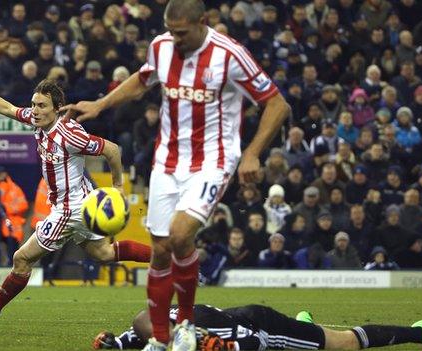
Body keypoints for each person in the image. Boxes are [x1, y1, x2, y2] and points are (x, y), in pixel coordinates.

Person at [61, 1, 290, 350]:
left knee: (181, 234)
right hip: (167, 160)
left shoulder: (230, 55)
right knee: (161, 249)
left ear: (203, 22)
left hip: (214, 160)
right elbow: (141, 80)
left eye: (182, 33)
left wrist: (253, 153)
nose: (175, 40)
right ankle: (160, 339)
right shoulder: (161, 46)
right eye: (171, 31)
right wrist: (100, 104)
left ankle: (185, 324)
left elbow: (277, 104)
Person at [0, 70, 151, 323]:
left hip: (70, 210)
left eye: (42, 106)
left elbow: (112, 149)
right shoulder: (38, 121)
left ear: (57, 109)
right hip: (79, 204)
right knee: (102, 253)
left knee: (21, 258)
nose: (35, 110)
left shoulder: (69, 134)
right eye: (34, 104)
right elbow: (6, 108)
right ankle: (164, 258)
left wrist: (118, 188)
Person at [93, 303, 422, 350]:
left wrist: (229, 350)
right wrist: (118, 344)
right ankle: (304, 323)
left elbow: (256, 345)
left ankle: (419, 331)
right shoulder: (163, 326)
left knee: (341, 344)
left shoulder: (210, 338)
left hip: (261, 328)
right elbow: (137, 329)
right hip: (238, 319)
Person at [0, 167, 28, 266]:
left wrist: (6, 208)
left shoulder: (14, 189)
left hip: (12, 226)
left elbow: (23, 205)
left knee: (12, 252)